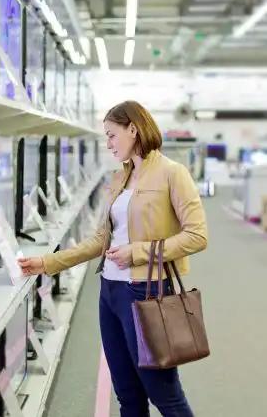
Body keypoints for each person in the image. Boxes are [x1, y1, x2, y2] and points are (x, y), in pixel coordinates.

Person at [18, 100, 208, 417]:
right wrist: (48, 263)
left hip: (147, 293)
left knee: (164, 396)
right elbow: (100, 240)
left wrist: (137, 252)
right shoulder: (118, 178)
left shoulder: (172, 174)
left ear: (133, 129)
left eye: (111, 135)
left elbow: (197, 235)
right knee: (128, 396)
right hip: (110, 293)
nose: (107, 144)